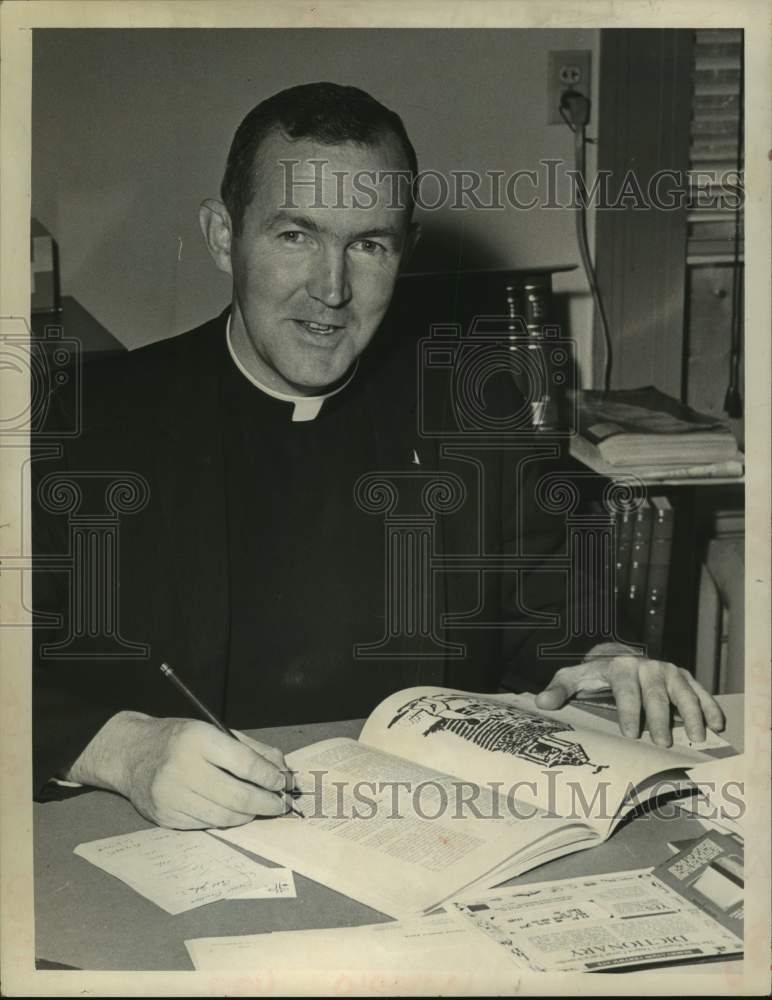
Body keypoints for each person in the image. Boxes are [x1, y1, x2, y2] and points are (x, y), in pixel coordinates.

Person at [32, 82, 724, 831]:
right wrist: (121, 750)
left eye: (368, 245)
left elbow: (549, 612)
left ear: (405, 251)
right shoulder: (82, 421)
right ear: (223, 236)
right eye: (295, 236)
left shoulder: (473, 409)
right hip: (159, 842)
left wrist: (605, 655)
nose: (331, 289)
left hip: (423, 833)